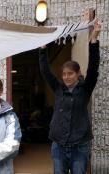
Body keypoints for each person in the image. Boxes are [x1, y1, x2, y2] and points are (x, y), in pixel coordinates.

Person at [39, 20, 101, 174]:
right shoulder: (58, 88)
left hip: (80, 146)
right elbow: (46, 71)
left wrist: (94, 39)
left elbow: (93, 67)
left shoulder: (85, 88)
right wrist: (42, 46)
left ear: (78, 74)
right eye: (64, 74)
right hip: (58, 145)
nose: (66, 77)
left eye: (70, 74)